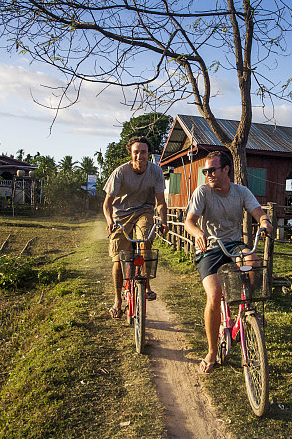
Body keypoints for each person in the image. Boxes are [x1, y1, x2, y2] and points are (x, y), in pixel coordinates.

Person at [184, 150, 273, 374]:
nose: (208, 174)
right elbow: (189, 222)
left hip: (233, 245)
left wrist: (264, 222)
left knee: (253, 261)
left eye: (213, 170)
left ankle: (248, 307)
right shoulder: (202, 192)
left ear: (226, 170)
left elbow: (258, 212)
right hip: (209, 248)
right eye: (206, 171)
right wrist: (197, 233)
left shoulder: (241, 192)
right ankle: (212, 350)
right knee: (214, 296)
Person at [103, 136, 168, 319]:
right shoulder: (120, 172)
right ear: (131, 154)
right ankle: (117, 301)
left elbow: (160, 202)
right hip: (121, 215)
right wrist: (109, 220)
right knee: (117, 259)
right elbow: (107, 203)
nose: (140, 156)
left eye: (143, 152)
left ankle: (146, 285)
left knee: (145, 241)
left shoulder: (156, 171)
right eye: (136, 152)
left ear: (149, 154)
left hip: (144, 211)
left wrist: (164, 222)